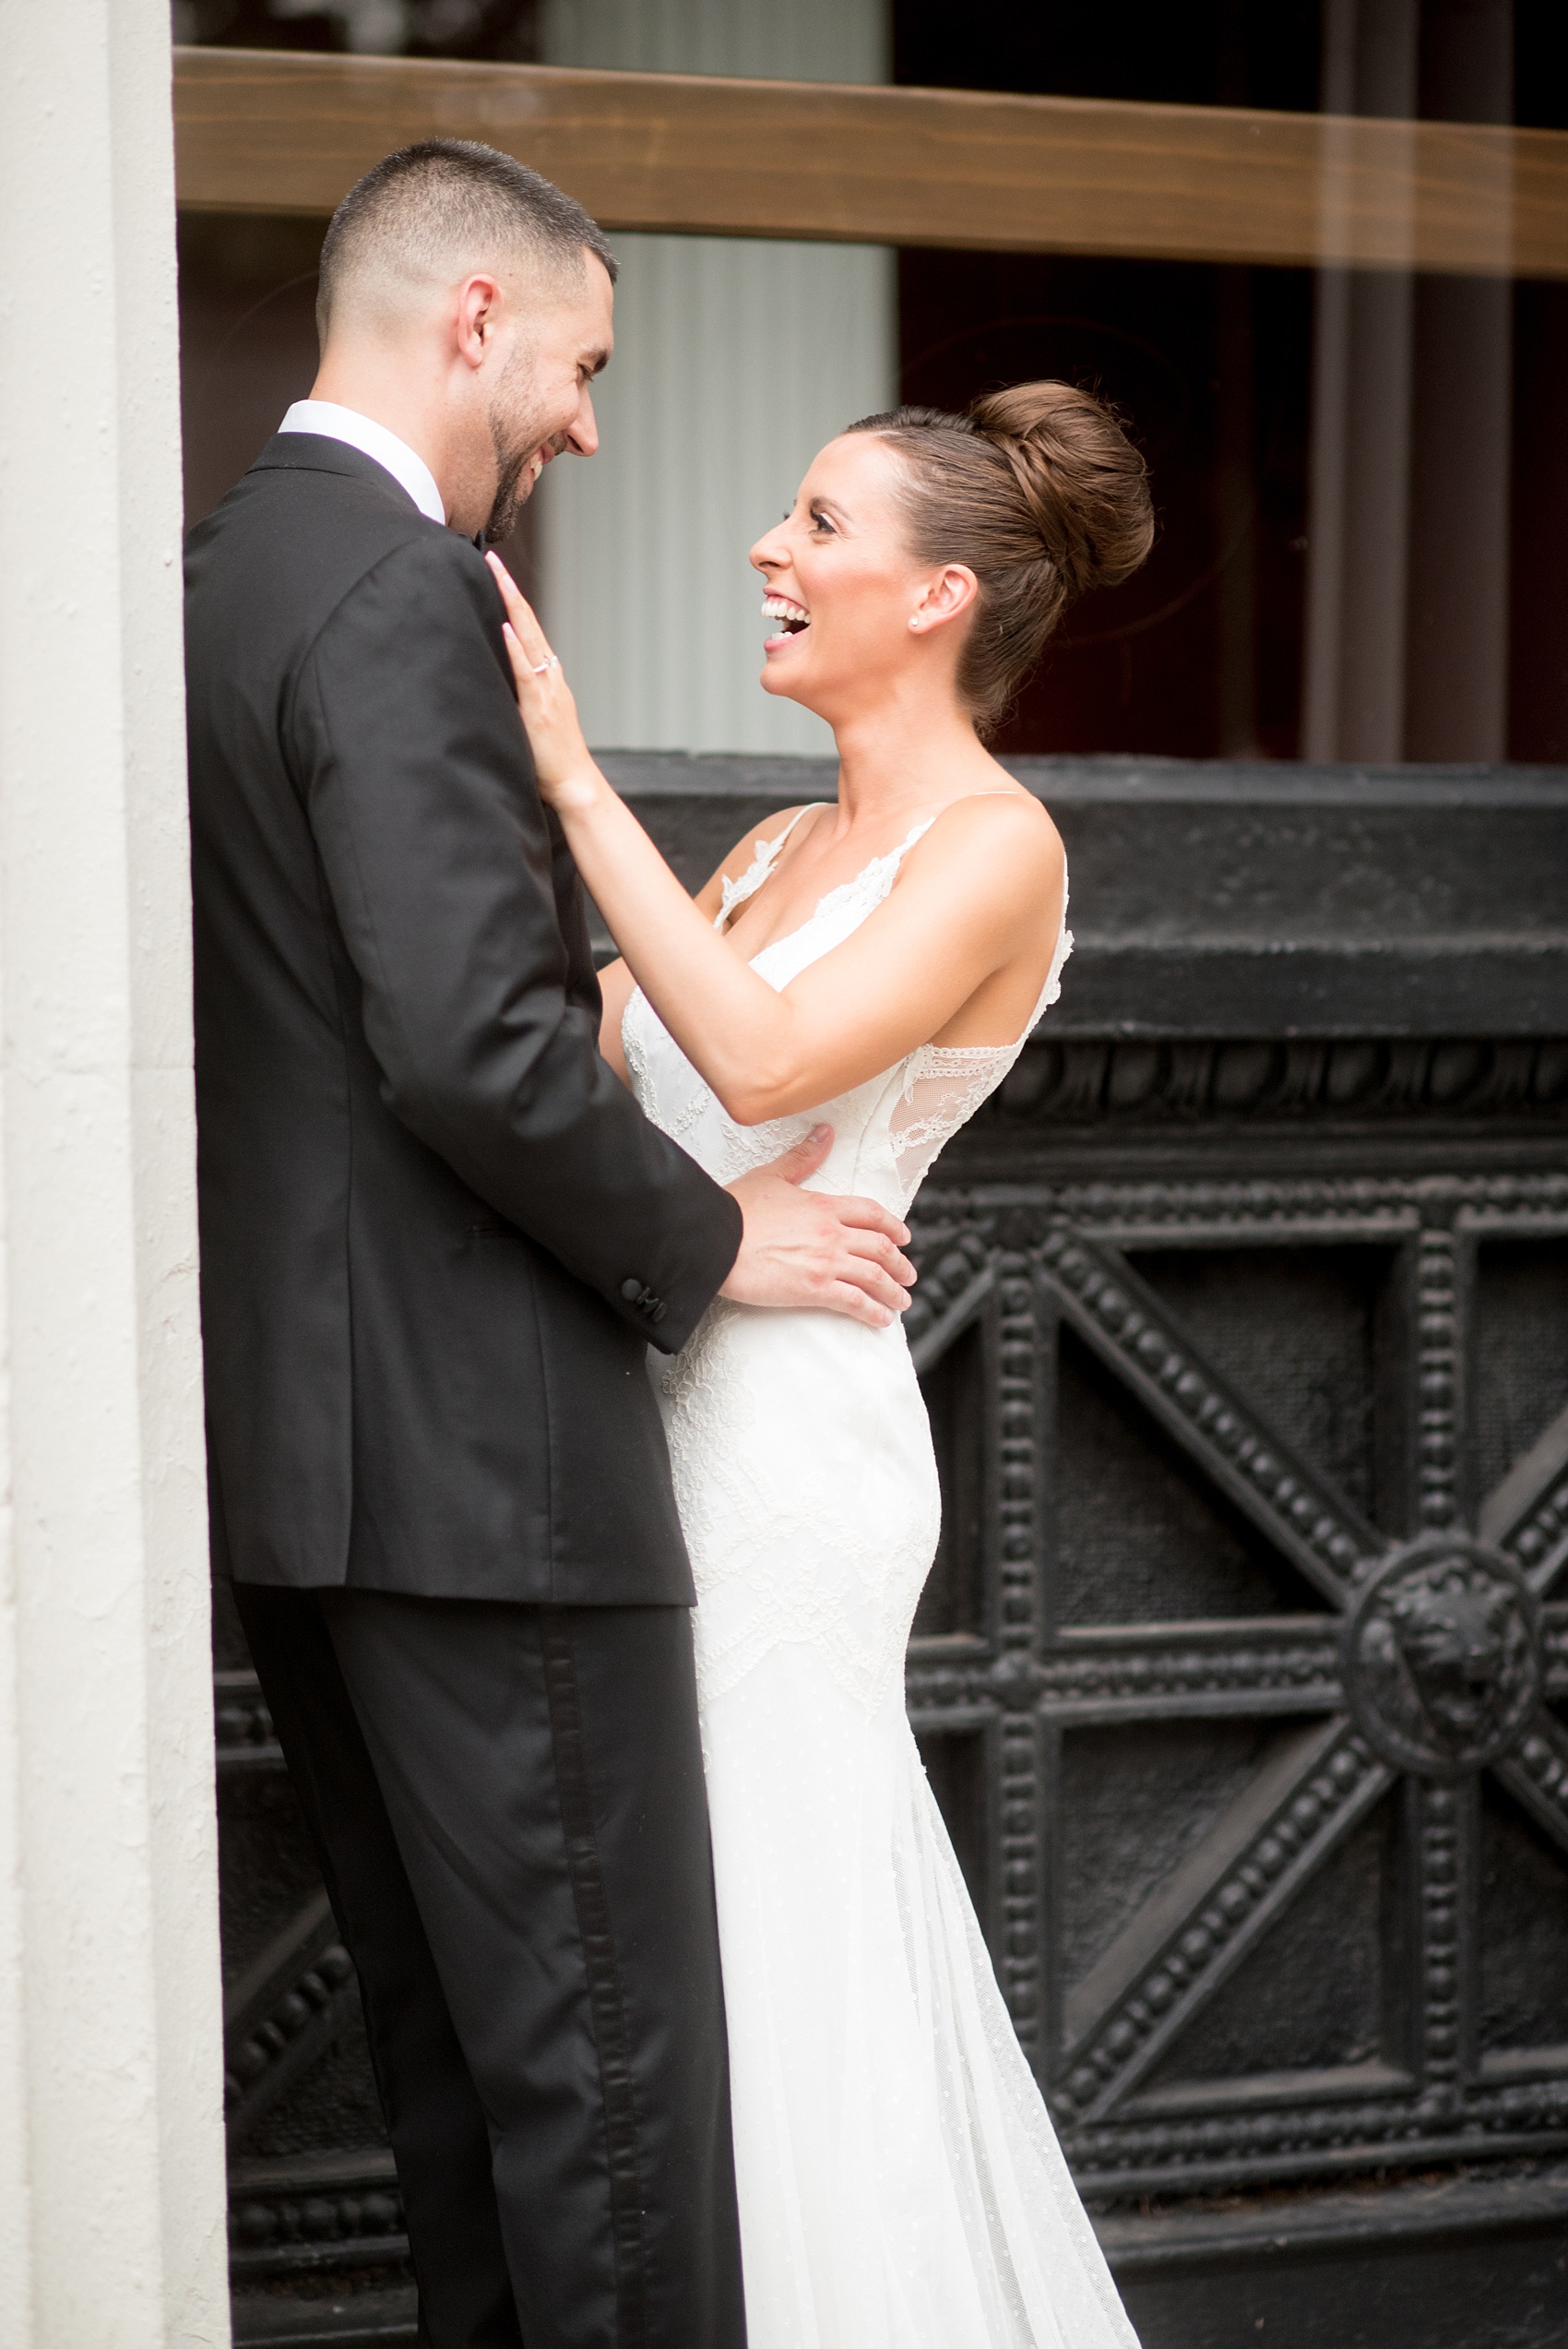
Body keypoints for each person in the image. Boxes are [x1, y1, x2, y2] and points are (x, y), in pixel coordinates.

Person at [184, 139, 918, 2349]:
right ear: (472, 322)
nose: (592, 423)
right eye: (585, 365)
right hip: (490, 1472)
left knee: (466, 2108)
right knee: (608, 2120)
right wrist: (714, 1245)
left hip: (311, 1470)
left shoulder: (219, 565)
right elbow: (469, 1052)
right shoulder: (403, 584)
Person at [488, 379, 1154, 2347]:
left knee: (785, 1941)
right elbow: (589, 1061)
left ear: (938, 592)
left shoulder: (997, 847)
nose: (769, 552)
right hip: (656, 1395)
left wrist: (570, 780)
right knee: (670, 1951)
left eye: (817, 522)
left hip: (789, 1464)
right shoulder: (779, 838)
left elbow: (771, 1066)